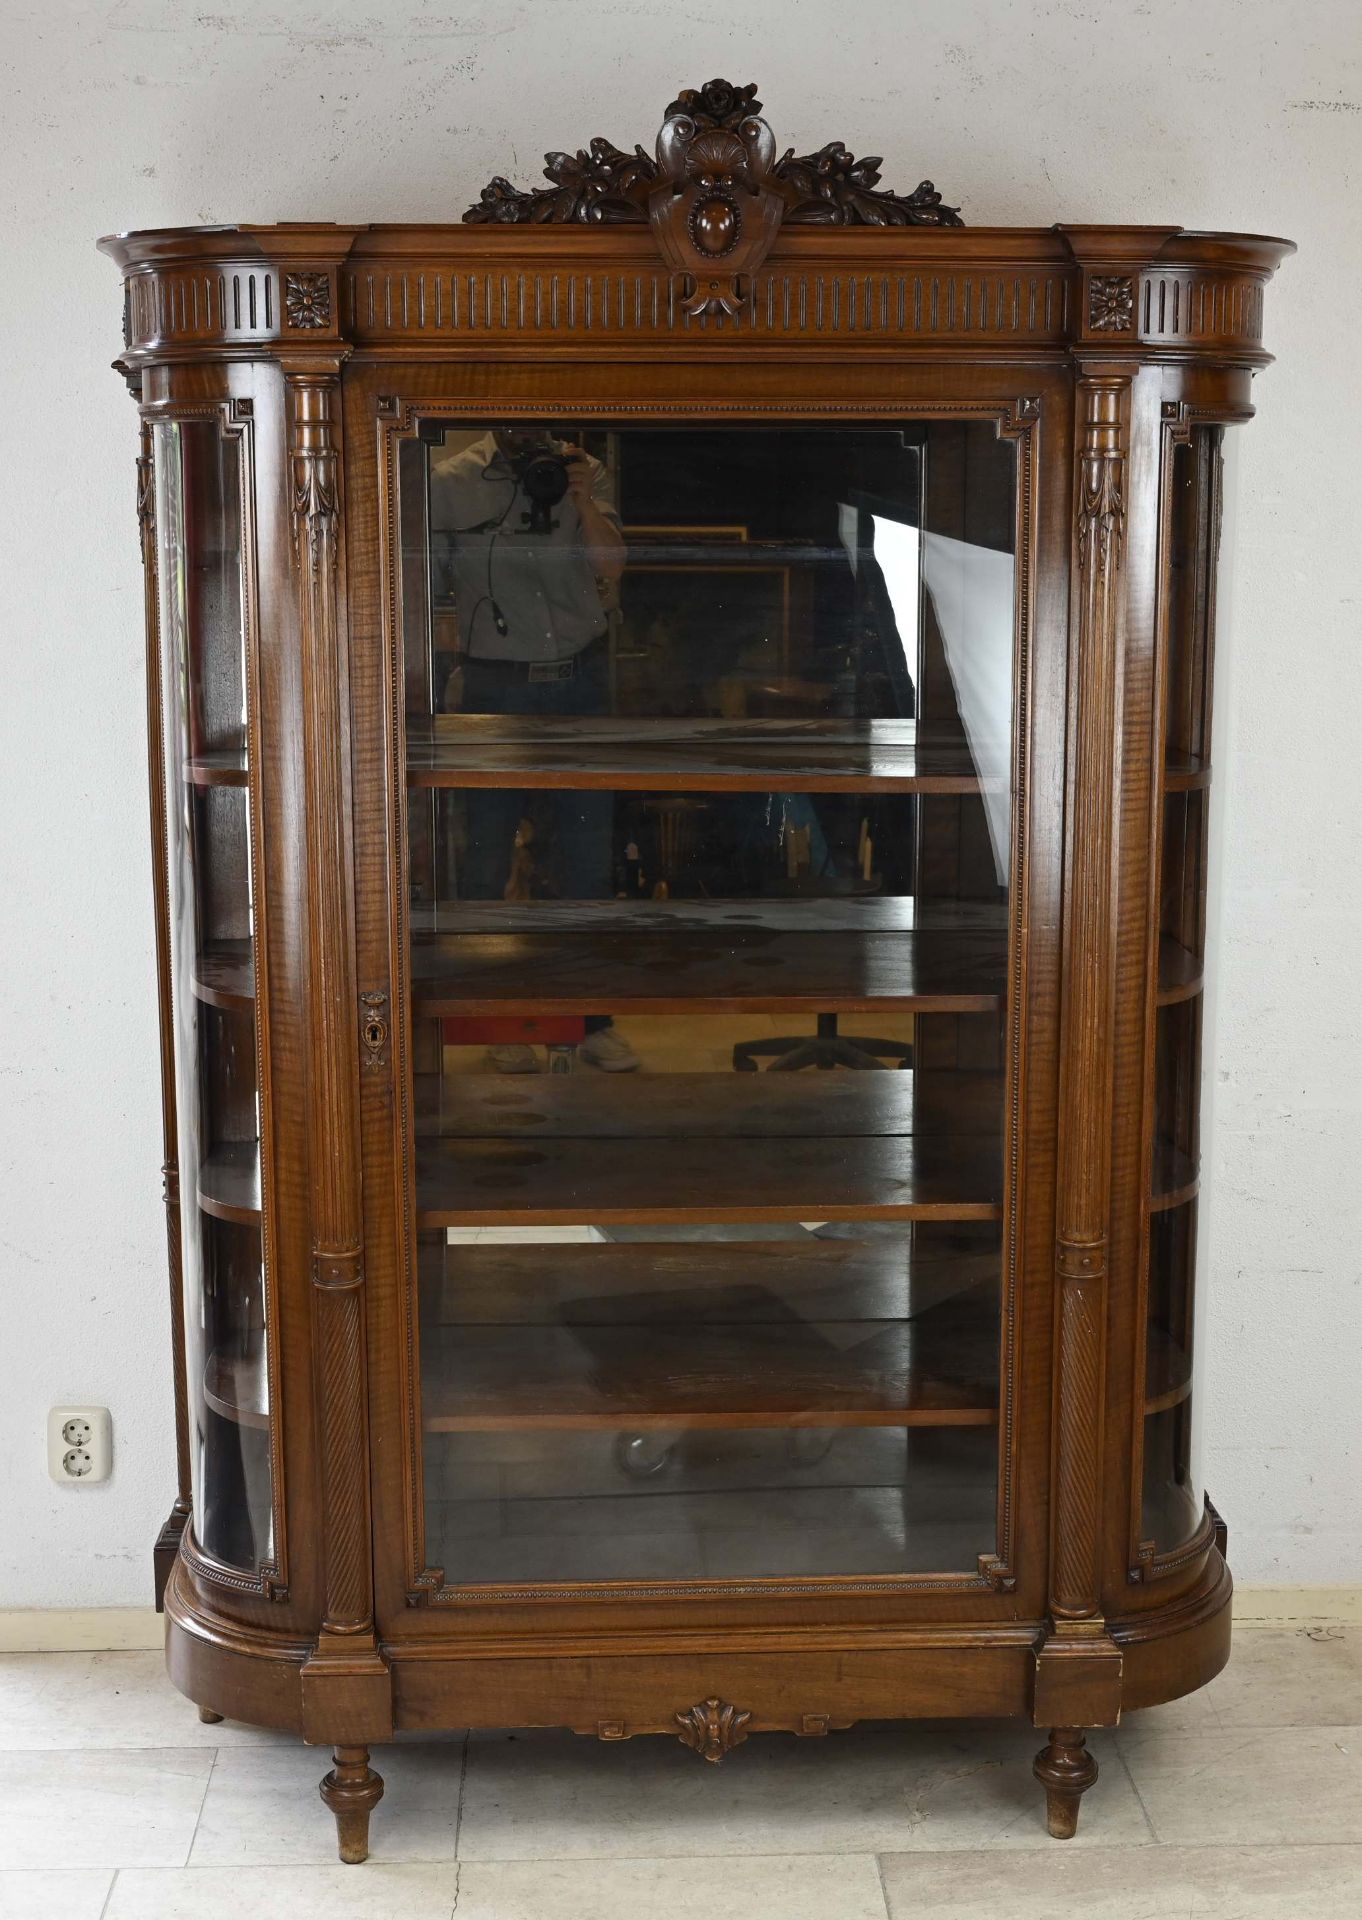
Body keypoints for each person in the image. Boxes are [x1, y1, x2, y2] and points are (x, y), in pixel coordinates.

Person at [429, 429, 639, 1072]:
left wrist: (581, 502)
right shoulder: (450, 481)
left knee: (587, 858)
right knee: (487, 857)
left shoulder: (587, 471)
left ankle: (588, 1023)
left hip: (577, 680)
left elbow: (611, 566)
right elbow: (421, 582)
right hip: (495, 685)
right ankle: (494, 1022)